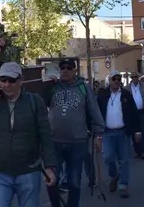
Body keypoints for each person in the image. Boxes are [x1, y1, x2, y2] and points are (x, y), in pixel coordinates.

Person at [0, 62, 57, 207]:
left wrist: (50, 166)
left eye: (11, 80)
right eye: (3, 80)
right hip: (0, 172)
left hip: (28, 171)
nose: (6, 85)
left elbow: (45, 136)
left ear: (20, 81)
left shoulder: (34, 102)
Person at [42, 58, 103, 207]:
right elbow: (41, 102)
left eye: (69, 68)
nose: (65, 70)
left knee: (74, 181)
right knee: (51, 180)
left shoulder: (83, 87)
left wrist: (99, 134)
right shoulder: (53, 86)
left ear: (75, 71)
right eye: (62, 67)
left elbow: (94, 110)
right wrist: (46, 84)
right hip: (54, 141)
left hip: (77, 142)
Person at [96, 71, 140, 198]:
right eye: (114, 78)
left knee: (124, 160)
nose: (116, 81)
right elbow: (96, 112)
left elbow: (134, 114)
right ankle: (114, 175)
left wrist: (137, 131)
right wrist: (95, 131)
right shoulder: (102, 95)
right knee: (108, 157)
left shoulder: (126, 95)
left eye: (118, 78)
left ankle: (123, 185)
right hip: (107, 132)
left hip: (123, 132)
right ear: (109, 81)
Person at [125, 74, 144, 160]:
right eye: (133, 77)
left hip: (142, 111)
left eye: (136, 77)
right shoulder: (127, 88)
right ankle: (137, 151)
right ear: (131, 78)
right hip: (132, 113)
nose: (135, 78)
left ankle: (143, 150)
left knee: (143, 131)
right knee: (134, 132)